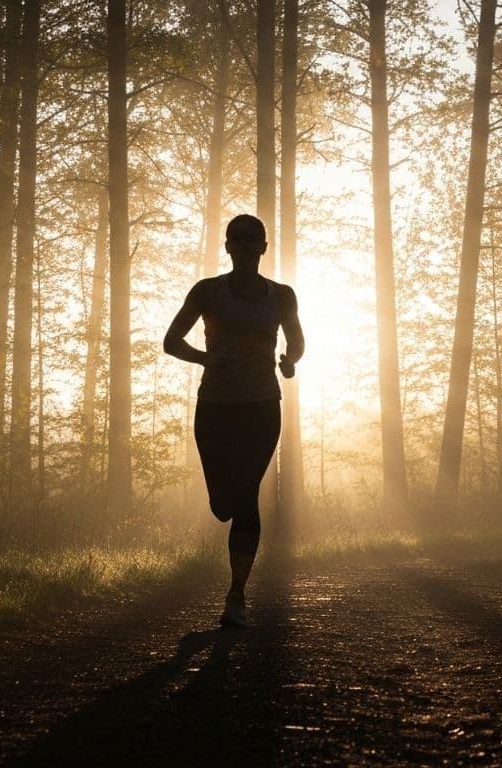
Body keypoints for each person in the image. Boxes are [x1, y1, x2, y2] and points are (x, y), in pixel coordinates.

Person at [163, 214, 304, 628]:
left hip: (262, 407)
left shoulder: (282, 296)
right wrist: (207, 358)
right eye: (235, 240)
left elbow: (296, 340)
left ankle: (236, 595)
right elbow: (171, 341)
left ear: (263, 248)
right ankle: (223, 505)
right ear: (227, 247)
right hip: (215, 407)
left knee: (245, 497)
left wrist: (290, 361)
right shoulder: (208, 292)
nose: (243, 247)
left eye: (251, 240)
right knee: (223, 504)